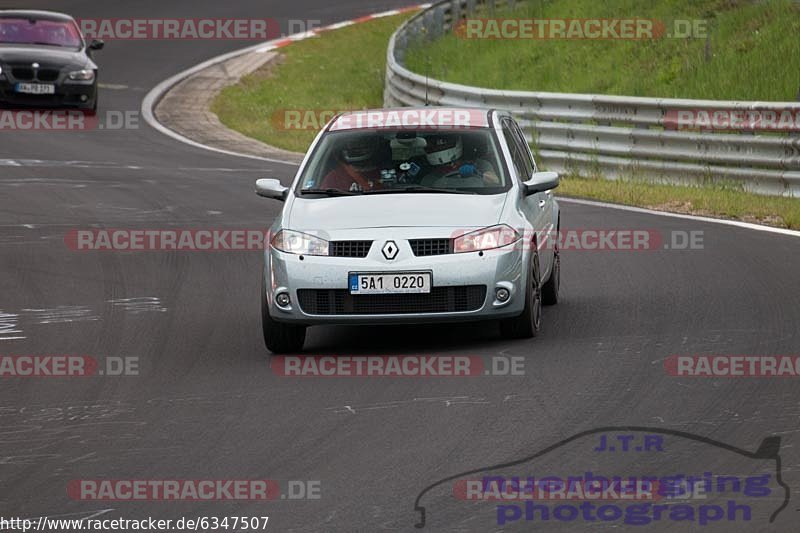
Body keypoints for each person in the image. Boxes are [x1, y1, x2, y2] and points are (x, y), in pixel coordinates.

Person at [420, 134, 501, 187]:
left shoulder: (480, 164)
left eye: (442, 143)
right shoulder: (429, 176)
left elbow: (495, 181)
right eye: (432, 144)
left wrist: (478, 173)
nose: (436, 148)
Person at [318, 136, 385, 192]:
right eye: (353, 143)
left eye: (362, 143)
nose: (358, 147)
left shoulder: (387, 173)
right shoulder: (334, 178)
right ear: (345, 147)